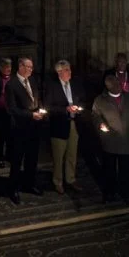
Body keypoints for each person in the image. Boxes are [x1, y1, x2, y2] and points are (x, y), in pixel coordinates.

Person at [92, 75, 129, 204]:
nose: (119, 87)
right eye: (115, 85)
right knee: (109, 170)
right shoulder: (100, 100)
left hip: (127, 141)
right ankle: (109, 193)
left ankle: (126, 193)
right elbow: (95, 116)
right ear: (108, 87)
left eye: (119, 83)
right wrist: (100, 124)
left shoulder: (128, 97)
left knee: (126, 170)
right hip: (110, 141)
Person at [6, 57, 45, 204]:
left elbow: (37, 97)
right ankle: (13, 188)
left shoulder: (32, 81)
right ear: (21, 66)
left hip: (34, 128)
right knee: (17, 161)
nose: (31, 70)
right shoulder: (11, 85)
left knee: (32, 159)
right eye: (29, 67)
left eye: (32, 67)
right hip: (20, 130)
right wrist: (31, 115)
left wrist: (40, 108)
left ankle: (29, 183)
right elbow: (12, 109)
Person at [45, 60, 85, 195]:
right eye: (67, 70)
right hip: (59, 125)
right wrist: (65, 109)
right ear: (59, 72)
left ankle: (70, 178)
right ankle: (58, 181)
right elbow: (48, 107)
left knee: (72, 154)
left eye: (70, 69)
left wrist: (78, 108)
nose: (70, 72)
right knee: (58, 156)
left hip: (74, 124)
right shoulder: (52, 87)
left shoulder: (75, 84)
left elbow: (81, 99)